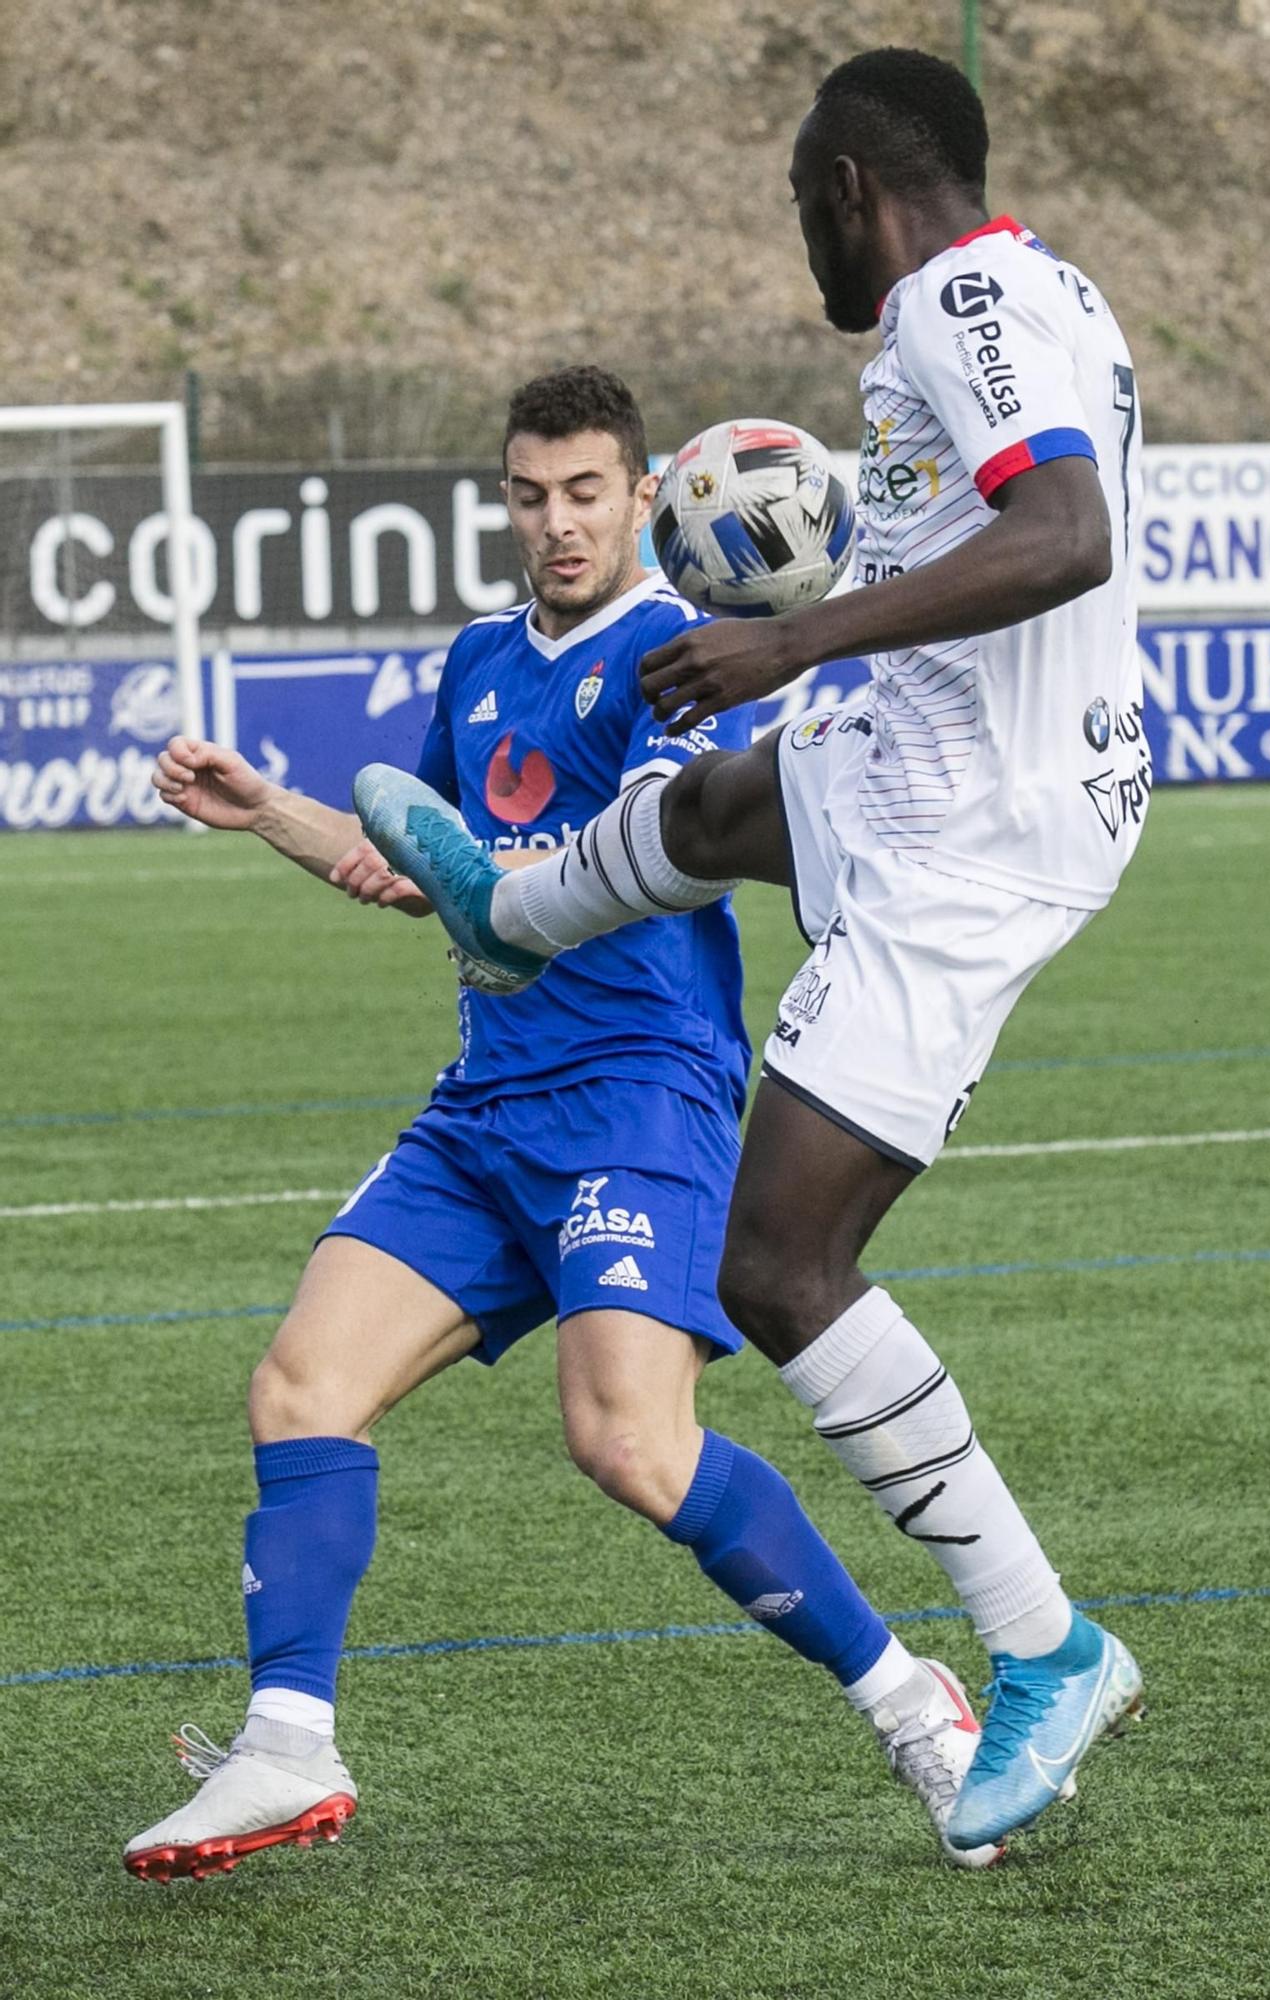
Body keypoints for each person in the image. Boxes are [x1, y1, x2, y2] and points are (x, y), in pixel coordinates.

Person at [358, 53, 1151, 1857]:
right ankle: (515, 906)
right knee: (711, 812)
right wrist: (825, 600)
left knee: (777, 1260)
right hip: (928, 749)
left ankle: (1045, 1642)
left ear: (855, 180)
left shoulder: (958, 298)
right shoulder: (1030, 293)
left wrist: (800, 644)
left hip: (979, 830)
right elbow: (993, 520)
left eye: (806, 196)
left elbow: (1062, 535)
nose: (802, 228)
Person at [124, 366, 1001, 1884]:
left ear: (643, 495)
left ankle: (909, 1704)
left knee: (627, 1441)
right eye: (530, 497)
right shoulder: (476, 659)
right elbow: (429, 865)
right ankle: (287, 1745)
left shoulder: (677, 649)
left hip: (635, 1097)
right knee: (298, 1386)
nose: (557, 524)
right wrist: (274, 809)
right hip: (484, 1105)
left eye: (586, 492)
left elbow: (641, 855)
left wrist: (496, 880)